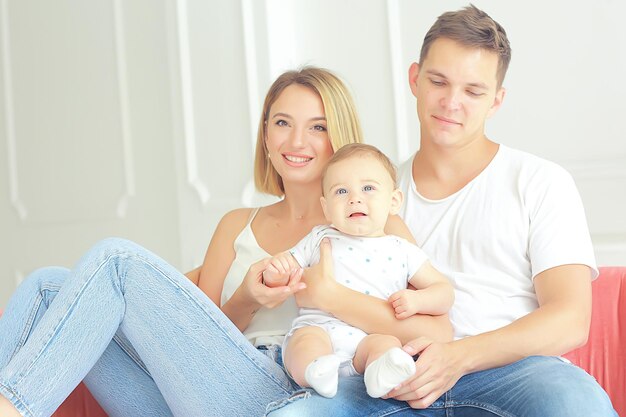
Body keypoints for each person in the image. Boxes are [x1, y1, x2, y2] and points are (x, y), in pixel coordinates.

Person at [0, 67, 451, 417]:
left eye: (317, 126)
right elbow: (196, 335)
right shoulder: (236, 224)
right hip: (196, 395)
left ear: (340, 138)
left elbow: (436, 333)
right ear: (267, 138)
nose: (297, 140)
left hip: (290, 390)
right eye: (282, 123)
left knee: (116, 259)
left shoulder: (376, 225)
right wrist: (247, 298)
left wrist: (331, 297)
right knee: (47, 284)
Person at [266, 5, 618, 416]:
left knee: (576, 405)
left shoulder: (539, 181)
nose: (452, 103)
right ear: (415, 79)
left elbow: (570, 319)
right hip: (389, 378)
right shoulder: (369, 195)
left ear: (496, 100)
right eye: (438, 82)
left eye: (473, 91)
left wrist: (459, 357)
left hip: (516, 375)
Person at [262, 143, 454, 399]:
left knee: (387, 346)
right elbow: (287, 267)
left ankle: (379, 375)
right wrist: (275, 273)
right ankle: (314, 371)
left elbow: (444, 292)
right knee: (304, 342)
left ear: (394, 201)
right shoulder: (320, 236)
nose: (355, 198)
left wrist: (418, 299)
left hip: (369, 335)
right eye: (341, 191)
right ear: (327, 207)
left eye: (368, 188)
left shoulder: (403, 250)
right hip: (320, 327)